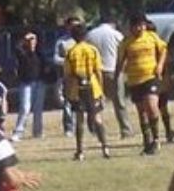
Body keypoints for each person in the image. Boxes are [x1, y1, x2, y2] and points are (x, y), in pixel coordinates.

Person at [116, 13, 168, 154]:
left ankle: (157, 139)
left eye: (142, 25)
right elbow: (120, 61)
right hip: (134, 80)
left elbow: (163, 49)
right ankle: (147, 141)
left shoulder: (151, 37)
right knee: (142, 112)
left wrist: (160, 65)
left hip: (150, 76)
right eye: (137, 25)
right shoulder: (126, 42)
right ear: (131, 27)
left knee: (151, 106)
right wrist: (117, 77)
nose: (140, 28)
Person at [64, 24, 110, 161]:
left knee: (79, 120)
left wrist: (67, 91)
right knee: (97, 118)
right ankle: (105, 148)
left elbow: (67, 74)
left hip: (77, 89)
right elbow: (98, 71)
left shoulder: (71, 52)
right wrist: (101, 89)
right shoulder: (93, 50)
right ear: (85, 35)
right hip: (93, 88)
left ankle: (80, 151)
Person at [87, 16, 134, 139]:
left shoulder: (90, 35)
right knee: (119, 102)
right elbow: (125, 50)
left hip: (96, 71)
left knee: (97, 102)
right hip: (114, 70)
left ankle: (97, 130)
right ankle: (125, 129)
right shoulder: (116, 34)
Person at [11, 31, 46, 141]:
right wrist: (24, 39)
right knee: (25, 108)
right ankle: (18, 132)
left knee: (38, 109)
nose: (32, 42)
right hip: (26, 83)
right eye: (29, 41)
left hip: (39, 83)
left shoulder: (39, 53)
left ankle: (38, 132)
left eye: (33, 40)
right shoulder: (22, 53)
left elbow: (46, 65)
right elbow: (16, 48)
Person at [54, 17, 81, 137]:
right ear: (68, 26)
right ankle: (69, 128)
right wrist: (68, 61)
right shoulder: (62, 42)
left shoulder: (83, 40)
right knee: (67, 103)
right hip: (67, 77)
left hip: (82, 76)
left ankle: (87, 126)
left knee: (85, 102)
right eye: (73, 25)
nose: (75, 28)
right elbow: (55, 59)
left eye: (78, 25)